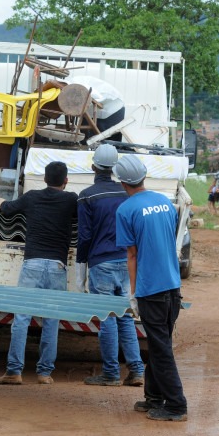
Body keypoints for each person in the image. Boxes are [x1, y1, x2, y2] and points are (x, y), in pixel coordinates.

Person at [113, 154, 187, 422]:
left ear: (122, 182)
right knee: (160, 343)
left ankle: (176, 405)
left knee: (161, 349)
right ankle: (154, 397)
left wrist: (134, 293)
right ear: (143, 176)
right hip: (172, 286)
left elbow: (131, 256)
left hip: (150, 289)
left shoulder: (125, 210)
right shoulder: (166, 203)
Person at [0, 161, 78, 385]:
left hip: (32, 264)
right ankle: (44, 373)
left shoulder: (32, 197)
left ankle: (14, 371)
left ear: (44, 179)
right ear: (66, 181)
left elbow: (7, 209)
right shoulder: (71, 200)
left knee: (22, 317)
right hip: (58, 266)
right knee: (51, 320)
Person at [76, 144, 145, 387]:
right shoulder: (126, 193)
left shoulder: (87, 195)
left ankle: (111, 373)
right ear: (115, 168)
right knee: (125, 317)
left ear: (93, 166)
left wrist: (81, 263)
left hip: (101, 263)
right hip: (126, 262)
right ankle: (136, 370)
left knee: (106, 319)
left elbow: (84, 236)